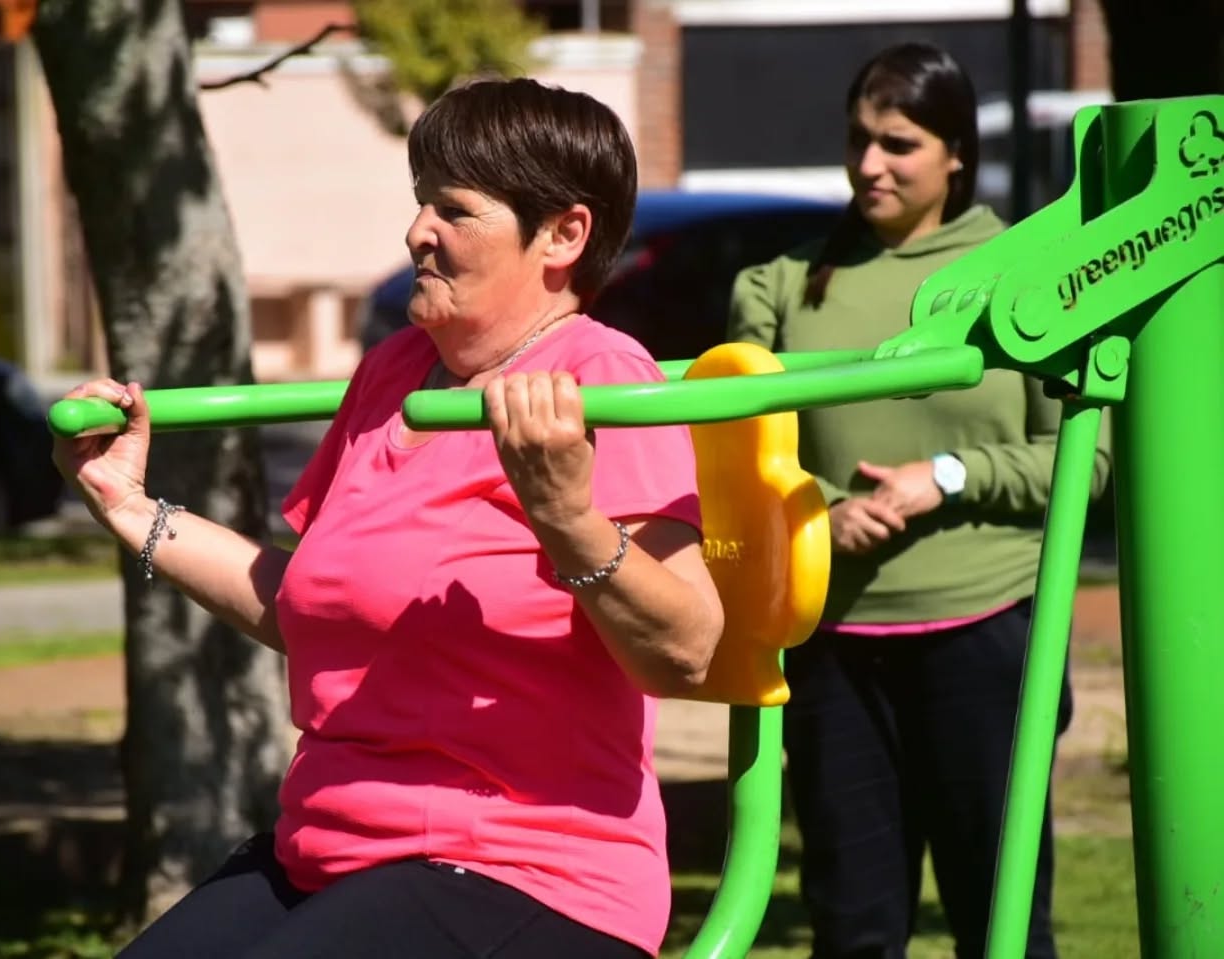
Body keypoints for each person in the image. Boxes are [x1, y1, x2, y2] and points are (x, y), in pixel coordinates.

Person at [54, 77, 724, 959]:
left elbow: (684, 651)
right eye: (420, 202)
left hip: (525, 866)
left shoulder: (602, 382)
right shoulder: (396, 372)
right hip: (328, 847)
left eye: (455, 210)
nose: (417, 232)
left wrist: (564, 515)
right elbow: (311, 605)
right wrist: (132, 506)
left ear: (563, 234)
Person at [728, 42, 1110, 959]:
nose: (869, 165)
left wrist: (943, 476)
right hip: (831, 648)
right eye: (857, 140)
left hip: (987, 636)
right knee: (853, 932)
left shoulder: (1032, 276)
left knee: (1004, 929)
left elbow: (1083, 460)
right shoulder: (779, 285)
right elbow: (739, 456)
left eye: (897, 144)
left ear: (955, 154)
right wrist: (819, 507)